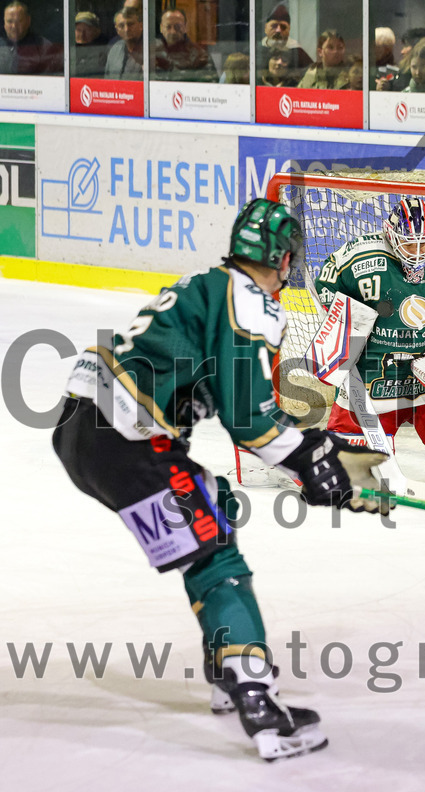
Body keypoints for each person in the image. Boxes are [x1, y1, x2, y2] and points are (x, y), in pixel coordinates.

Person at [51, 198, 387, 761]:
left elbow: (253, 410)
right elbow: (249, 420)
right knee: (218, 557)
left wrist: (322, 452)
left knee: (214, 512)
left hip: (83, 429)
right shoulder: (249, 302)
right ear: (281, 258)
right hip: (126, 440)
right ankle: (259, 702)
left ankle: (223, 666)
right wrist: (311, 463)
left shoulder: (209, 282)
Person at [314, 197, 425, 449]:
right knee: (346, 456)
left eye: (424, 244)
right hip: (372, 374)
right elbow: (327, 286)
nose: (417, 252)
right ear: (391, 234)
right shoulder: (359, 256)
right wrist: (345, 331)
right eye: (408, 244)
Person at [152, 8, 218, 83]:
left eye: (177, 27)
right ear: (161, 28)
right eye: (168, 27)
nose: (173, 32)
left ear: (185, 27)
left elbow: (210, 87)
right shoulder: (151, 52)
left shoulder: (200, 56)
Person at [256, 4, 311, 85]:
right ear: (265, 28)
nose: (278, 30)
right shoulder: (254, 50)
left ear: (289, 30)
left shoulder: (297, 52)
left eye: (283, 27)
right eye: (274, 26)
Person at [0, 0, 59, 75]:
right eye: (10, 21)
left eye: (19, 21)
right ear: (4, 23)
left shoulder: (43, 46)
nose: (14, 26)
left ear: (28, 21)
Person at [105, 7, 144, 80]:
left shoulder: (154, 48)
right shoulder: (114, 49)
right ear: (117, 30)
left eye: (130, 24)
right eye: (121, 26)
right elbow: (107, 80)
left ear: (141, 26)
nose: (126, 29)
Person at [72, 11, 108, 79]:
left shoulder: (104, 50)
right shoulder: (68, 49)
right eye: (78, 30)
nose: (82, 34)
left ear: (97, 31)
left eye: (87, 30)